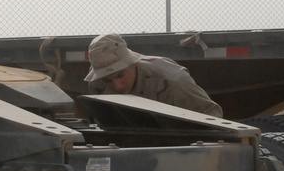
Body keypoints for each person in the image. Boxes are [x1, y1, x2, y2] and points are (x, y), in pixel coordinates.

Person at [85, 33, 223, 118]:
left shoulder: (172, 80)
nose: (116, 86)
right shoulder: (98, 85)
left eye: (121, 75)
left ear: (133, 64)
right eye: (107, 79)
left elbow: (211, 114)